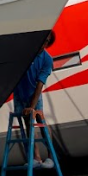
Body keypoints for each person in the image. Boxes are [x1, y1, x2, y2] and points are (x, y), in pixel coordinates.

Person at [13, 31, 56, 168]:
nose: (43, 43)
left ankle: (50, 156)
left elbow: (40, 83)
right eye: (42, 39)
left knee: (40, 121)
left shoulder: (46, 59)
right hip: (20, 94)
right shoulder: (25, 53)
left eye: (46, 41)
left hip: (34, 94)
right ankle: (36, 157)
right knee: (28, 124)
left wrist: (32, 106)